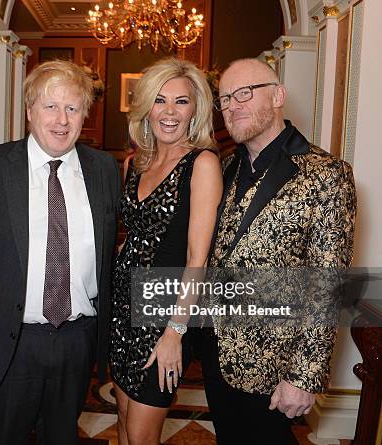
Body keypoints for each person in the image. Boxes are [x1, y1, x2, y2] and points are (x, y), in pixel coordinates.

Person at [0, 60, 121, 445]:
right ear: (29, 112)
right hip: (9, 341)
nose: (61, 120)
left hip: (78, 338)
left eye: (72, 108)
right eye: (50, 106)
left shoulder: (105, 169)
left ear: (85, 114)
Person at [202, 58, 357, 445]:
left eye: (244, 93)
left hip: (274, 366)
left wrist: (304, 376)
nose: (232, 106)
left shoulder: (326, 174)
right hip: (214, 351)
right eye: (224, 99)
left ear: (277, 95)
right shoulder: (224, 167)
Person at [109, 57, 222, 445]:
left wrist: (175, 332)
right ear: (146, 107)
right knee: (124, 419)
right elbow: (138, 235)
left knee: (142, 434)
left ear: (196, 110)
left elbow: (197, 258)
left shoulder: (202, 163)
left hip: (164, 311)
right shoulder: (134, 164)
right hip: (123, 304)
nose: (169, 112)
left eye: (181, 101)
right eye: (160, 101)